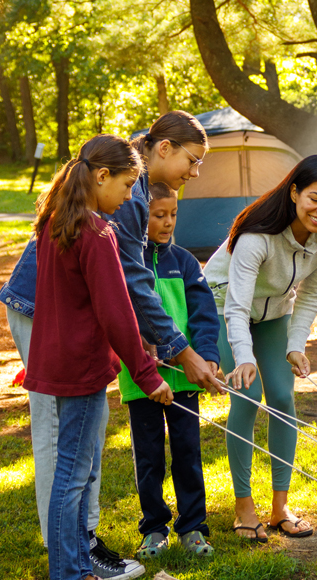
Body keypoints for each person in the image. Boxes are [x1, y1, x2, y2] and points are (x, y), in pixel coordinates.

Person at [0, 110, 219, 580]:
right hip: (45, 312)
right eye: (192, 160)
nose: (193, 174)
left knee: (84, 439)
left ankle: (80, 546)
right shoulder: (124, 199)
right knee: (63, 444)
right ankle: (71, 559)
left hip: (76, 312)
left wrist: (144, 346)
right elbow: (131, 288)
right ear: (164, 149)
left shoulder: (126, 190)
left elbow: (119, 293)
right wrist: (180, 353)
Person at [23, 135, 174, 580]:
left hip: (60, 364)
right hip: (82, 370)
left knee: (76, 473)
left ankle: (86, 578)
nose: (131, 196)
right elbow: (117, 314)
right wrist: (149, 376)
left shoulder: (56, 223)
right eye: (129, 185)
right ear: (102, 176)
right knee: (71, 479)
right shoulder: (96, 232)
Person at [203, 155, 317, 543]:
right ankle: (243, 507)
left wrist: (295, 347)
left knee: (284, 399)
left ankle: (280, 507)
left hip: (274, 313)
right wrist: (243, 357)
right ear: (294, 193)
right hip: (223, 306)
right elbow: (236, 306)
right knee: (247, 396)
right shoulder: (256, 237)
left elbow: (310, 297)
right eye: (315, 198)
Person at [119, 183, 221, 559]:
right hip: (140, 379)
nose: (167, 223)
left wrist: (207, 356)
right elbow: (123, 315)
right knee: (149, 457)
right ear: (140, 216)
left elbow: (205, 316)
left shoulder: (186, 261)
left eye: (173, 215)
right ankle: (154, 528)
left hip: (185, 379)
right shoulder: (128, 262)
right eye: (158, 215)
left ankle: (193, 527)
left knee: (187, 453)